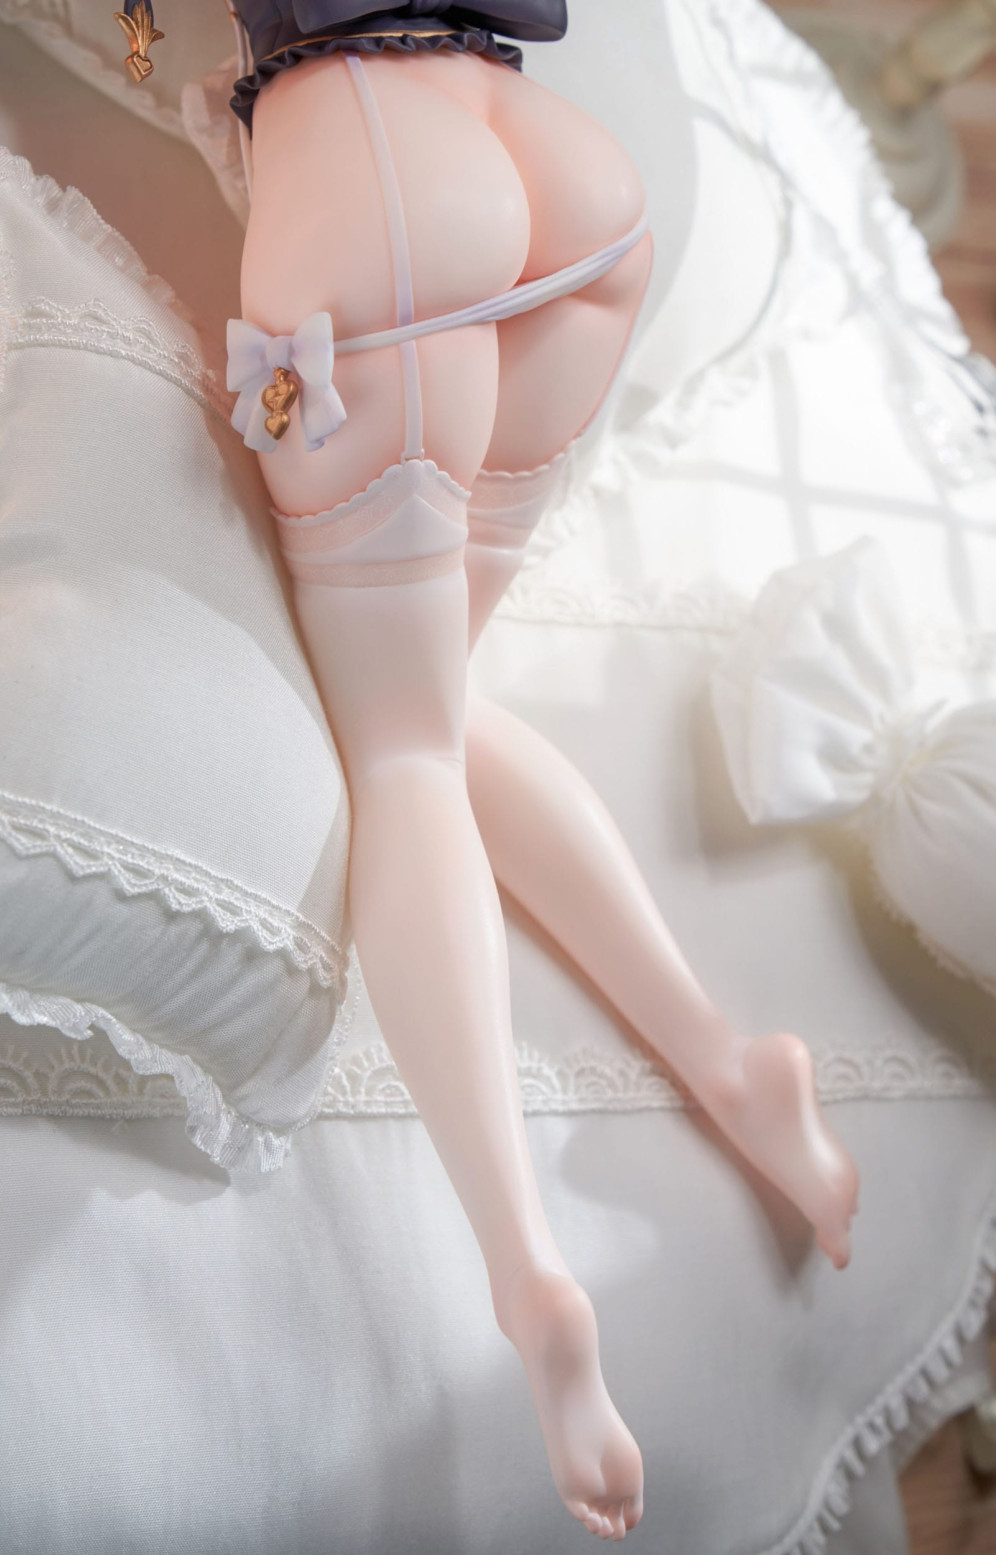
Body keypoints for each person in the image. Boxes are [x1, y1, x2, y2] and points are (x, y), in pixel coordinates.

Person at [128, 3, 861, 1537]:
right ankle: (733, 1063)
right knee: (435, 707)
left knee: (397, 748)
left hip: (380, 181)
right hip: (564, 180)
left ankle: (530, 1280)